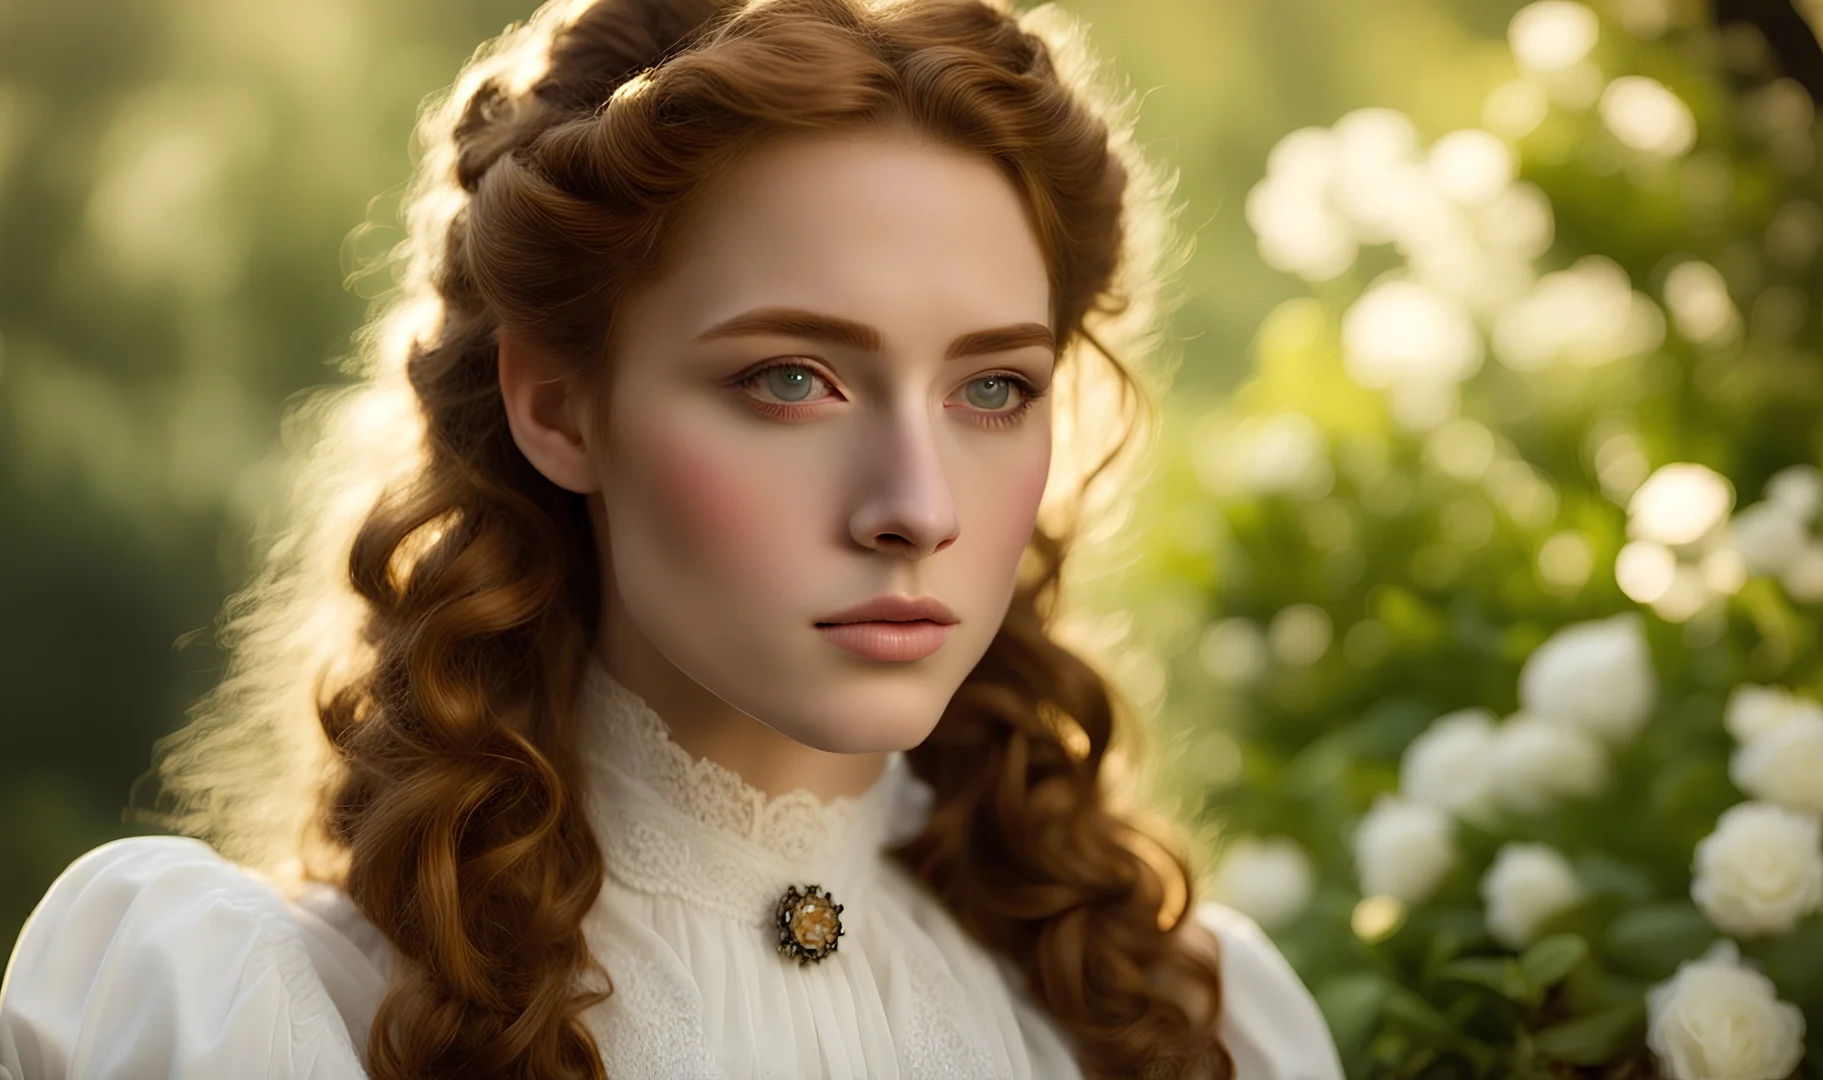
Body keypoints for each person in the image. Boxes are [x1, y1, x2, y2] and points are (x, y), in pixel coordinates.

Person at [0, 0, 1345, 1076]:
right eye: (791, 379)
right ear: (558, 405)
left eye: (993, 388)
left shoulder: (1196, 1024)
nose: (918, 506)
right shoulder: (260, 1016)